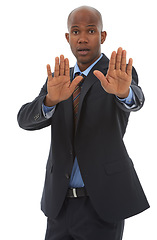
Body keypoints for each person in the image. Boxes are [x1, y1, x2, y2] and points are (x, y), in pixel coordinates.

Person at [17, 5, 150, 240]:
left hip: (102, 204)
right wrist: (49, 101)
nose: (82, 39)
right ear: (68, 37)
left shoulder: (116, 74)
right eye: (76, 32)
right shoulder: (60, 78)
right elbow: (25, 120)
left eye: (90, 31)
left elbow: (136, 99)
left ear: (102, 36)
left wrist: (124, 92)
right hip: (59, 204)